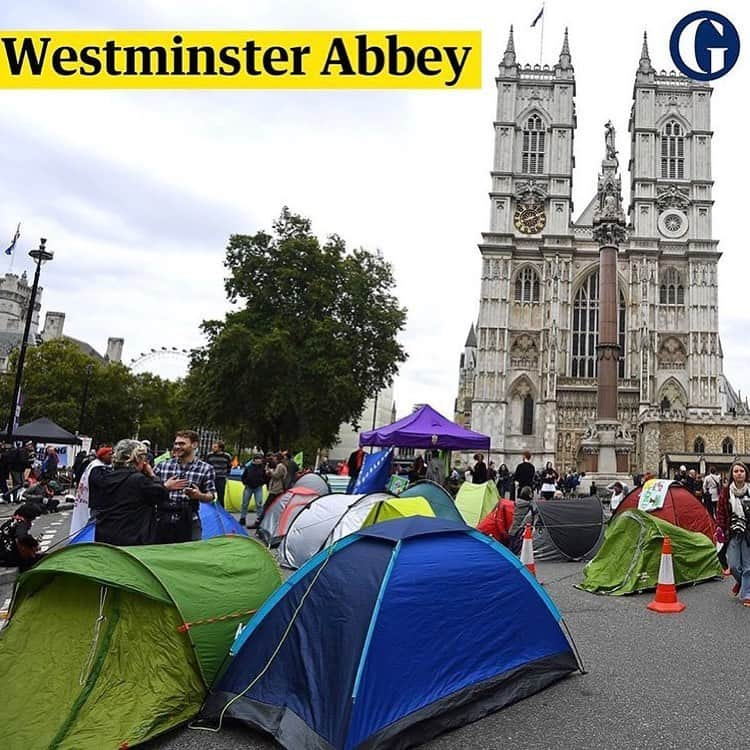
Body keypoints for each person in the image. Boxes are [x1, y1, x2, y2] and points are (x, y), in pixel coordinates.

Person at [94, 440, 168, 547]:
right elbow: (160, 495)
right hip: (132, 536)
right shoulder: (139, 480)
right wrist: (153, 476)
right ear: (137, 458)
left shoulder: (107, 476)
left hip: (105, 534)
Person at [154, 430, 216, 543]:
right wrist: (165, 487)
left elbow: (211, 496)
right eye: (176, 443)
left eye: (182, 443)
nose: (177, 446)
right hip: (163, 518)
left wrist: (199, 495)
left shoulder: (206, 469)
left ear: (194, 445)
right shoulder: (163, 466)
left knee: (190, 554)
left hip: (190, 519)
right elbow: (150, 491)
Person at [716, 461, 750, 606]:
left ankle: (747, 593)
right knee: (735, 566)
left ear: (746, 473)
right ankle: (741, 582)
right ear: (732, 474)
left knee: (748, 566)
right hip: (733, 533)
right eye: (736, 471)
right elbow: (721, 513)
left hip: (748, 534)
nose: (739, 473)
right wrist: (720, 529)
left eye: (741, 471)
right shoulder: (725, 492)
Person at [69, 445, 113, 537]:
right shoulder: (97, 467)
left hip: (96, 501)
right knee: (92, 523)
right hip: (97, 501)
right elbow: (99, 482)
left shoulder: (97, 466)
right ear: (103, 455)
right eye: (109, 454)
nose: (111, 456)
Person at [0, 503, 42, 570]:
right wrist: (35, 543)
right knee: (44, 558)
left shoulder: (10, 522)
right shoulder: (21, 523)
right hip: (11, 558)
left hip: (3, 556)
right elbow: (22, 536)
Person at [240, 453, 267, 527]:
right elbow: (243, 476)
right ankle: (242, 518)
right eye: (257, 460)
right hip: (249, 486)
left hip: (258, 487)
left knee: (259, 503)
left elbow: (265, 477)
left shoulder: (263, 468)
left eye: (260, 460)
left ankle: (259, 518)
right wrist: (245, 482)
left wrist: (262, 482)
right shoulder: (248, 467)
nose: (259, 461)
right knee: (245, 503)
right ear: (254, 460)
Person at [205, 441, 233, 507]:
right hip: (211, 477)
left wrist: (226, 474)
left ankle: (221, 510)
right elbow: (206, 465)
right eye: (213, 446)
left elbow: (229, 466)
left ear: (220, 448)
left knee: (221, 495)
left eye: (215, 447)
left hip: (221, 477)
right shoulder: (209, 455)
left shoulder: (227, 456)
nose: (213, 448)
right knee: (208, 493)